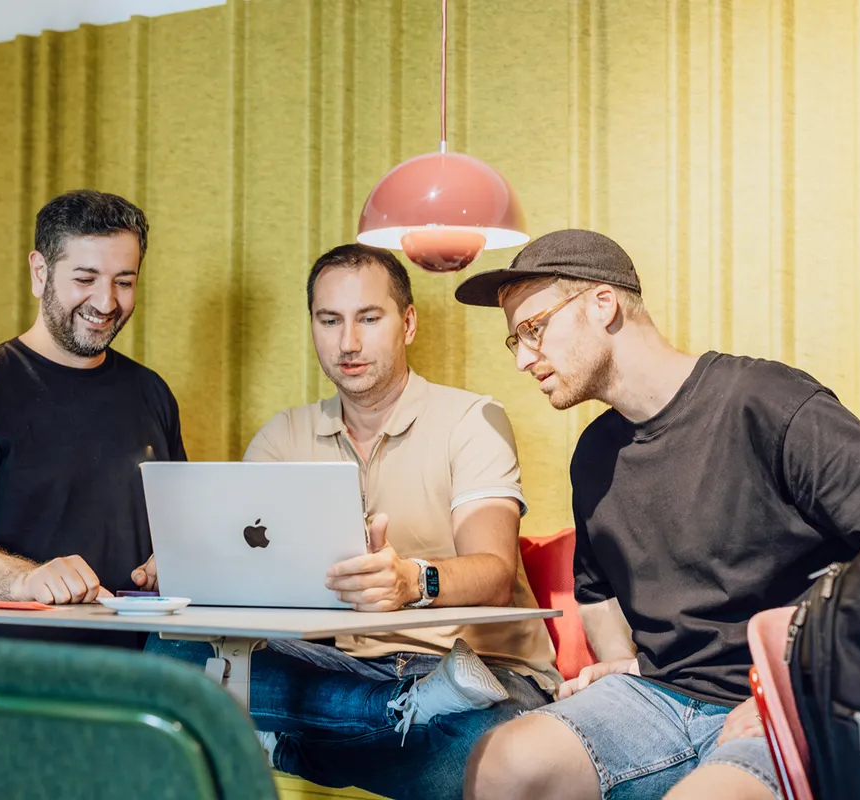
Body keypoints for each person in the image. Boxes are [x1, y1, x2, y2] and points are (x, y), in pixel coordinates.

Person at [454, 229, 860, 800]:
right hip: (659, 696)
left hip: (792, 695)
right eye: (516, 341)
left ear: (603, 304)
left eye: (533, 329)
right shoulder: (595, 455)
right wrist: (622, 664)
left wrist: (796, 692)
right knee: (500, 762)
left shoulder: (765, 401)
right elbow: (597, 591)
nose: (524, 358)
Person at [147, 243, 560, 800]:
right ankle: (388, 713)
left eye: (369, 318)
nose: (348, 342)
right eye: (330, 320)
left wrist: (412, 581)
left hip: (483, 674)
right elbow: (242, 584)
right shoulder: (283, 435)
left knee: (492, 750)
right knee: (169, 652)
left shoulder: (472, 419)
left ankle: (291, 745)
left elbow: (491, 572)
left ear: (407, 323)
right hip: (339, 671)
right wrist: (192, 565)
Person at [0, 189, 185, 644]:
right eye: (85, 279)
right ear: (39, 271)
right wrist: (25, 581)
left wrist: (171, 560)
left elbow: (177, 524)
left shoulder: (152, 392)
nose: (106, 303)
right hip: (4, 675)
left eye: (124, 282)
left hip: (135, 670)